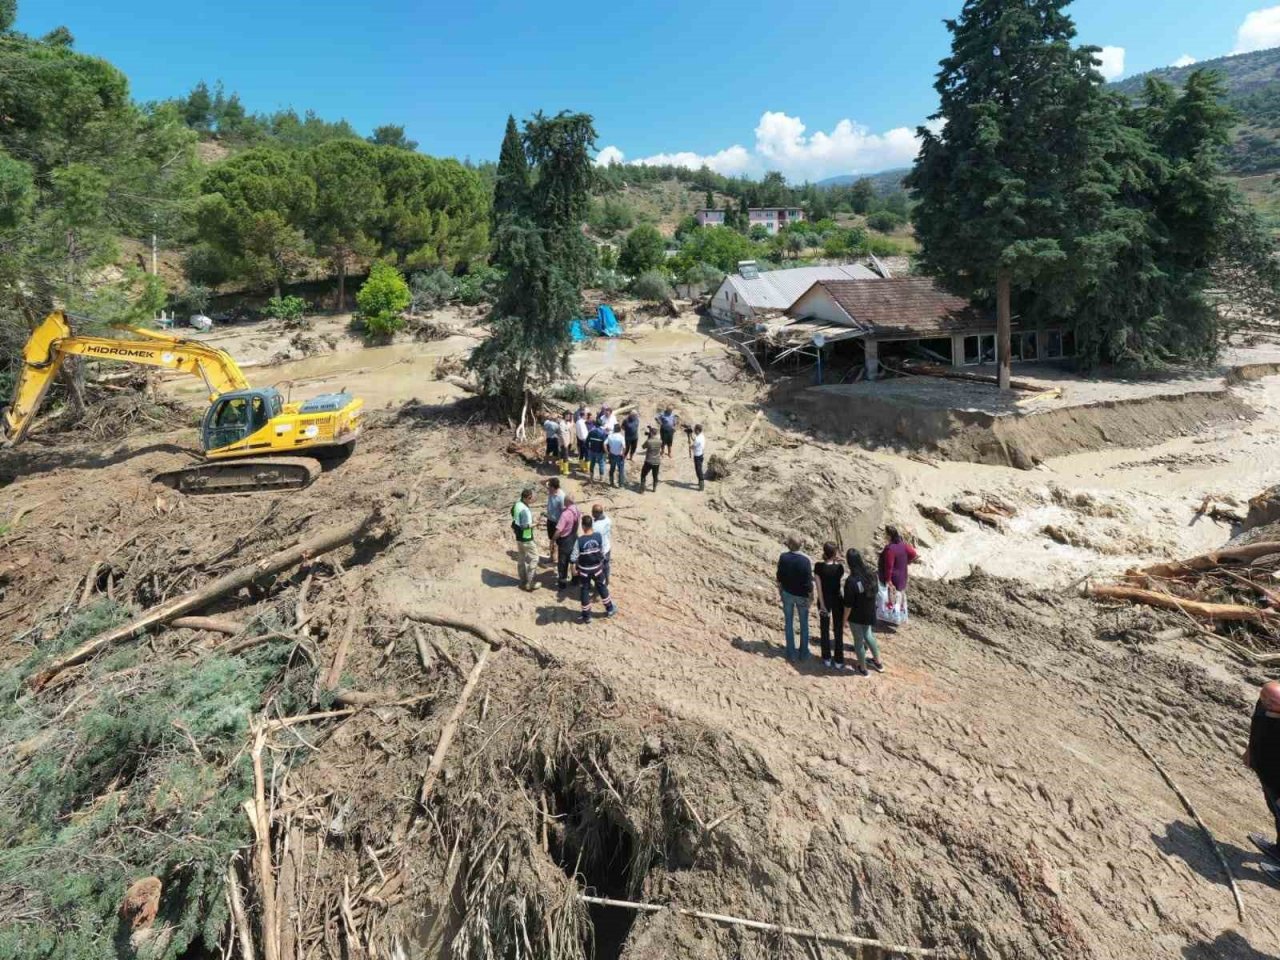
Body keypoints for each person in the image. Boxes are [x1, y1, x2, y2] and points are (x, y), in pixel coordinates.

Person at [1246, 680, 1280, 869]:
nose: (1266, 703)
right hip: (1270, 775)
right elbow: (1256, 727)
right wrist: (1249, 751)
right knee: (1276, 813)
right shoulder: (1262, 704)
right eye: (1264, 697)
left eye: (1272, 702)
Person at [843, 549, 882, 675]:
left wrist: (844, 620)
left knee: (858, 641)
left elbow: (848, 605)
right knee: (869, 635)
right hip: (869, 611)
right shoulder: (871, 573)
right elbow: (876, 591)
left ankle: (863, 668)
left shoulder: (851, 581)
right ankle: (878, 662)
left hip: (856, 616)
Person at [571, 514, 616, 623]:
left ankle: (586, 616)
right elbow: (602, 550)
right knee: (602, 587)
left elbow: (574, 556)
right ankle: (610, 608)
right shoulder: (598, 536)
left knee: (585, 590)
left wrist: (572, 569)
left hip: (584, 571)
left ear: (583, 526)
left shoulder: (580, 541)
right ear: (592, 525)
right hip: (597, 569)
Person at [776, 535, 813, 662]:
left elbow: (779, 577)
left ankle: (791, 652)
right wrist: (811, 597)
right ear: (800, 545)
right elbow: (809, 582)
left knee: (789, 623)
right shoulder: (806, 560)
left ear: (789, 545)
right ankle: (804, 652)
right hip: (802, 596)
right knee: (804, 624)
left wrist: (780, 590)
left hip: (787, 594)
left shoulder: (783, 557)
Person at [813, 542, 845, 669]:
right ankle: (838, 660)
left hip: (824, 600)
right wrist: (839, 561)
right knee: (838, 630)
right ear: (835, 553)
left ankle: (826, 658)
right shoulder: (839, 568)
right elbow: (839, 574)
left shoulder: (818, 567)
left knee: (824, 630)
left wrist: (822, 604)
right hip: (837, 600)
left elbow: (818, 587)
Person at [878, 525, 919, 610]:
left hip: (893, 577)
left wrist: (888, 580)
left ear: (889, 536)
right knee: (901, 593)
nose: (884, 536)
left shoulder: (890, 549)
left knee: (891, 596)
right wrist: (907, 562)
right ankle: (901, 610)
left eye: (885, 534)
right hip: (903, 574)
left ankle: (891, 613)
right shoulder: (903, 545)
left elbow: (889, 566)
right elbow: (914, 554)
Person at [510, 487, 537, 591]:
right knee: (534, 558)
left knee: (521, 558)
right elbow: (524, 526)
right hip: (526, 537)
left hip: (518, 537)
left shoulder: (517, 504)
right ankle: (531, 582)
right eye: (532, 498)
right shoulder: (524, 510)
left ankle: (523, 581)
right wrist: (535, 524)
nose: (533, 500)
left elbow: (512, 512)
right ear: (527, 498)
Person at [554, 494, 582, 589]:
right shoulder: (577, 510)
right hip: (574, 537)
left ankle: (562, 583)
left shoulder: (565, 514)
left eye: (564, 501)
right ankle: (575, 580)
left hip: (565, 540)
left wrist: (553, 539)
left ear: (567, 502)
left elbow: (559, 530)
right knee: (574, 559)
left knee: (563, 562)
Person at [545, 478, 566, 565]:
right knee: (551, 540)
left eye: (549, 486)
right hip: (550, 520)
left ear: (553, 487)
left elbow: (564, 512)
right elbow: (542, 482)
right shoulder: (551, 491)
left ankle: (555, 560)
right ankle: (552, 557)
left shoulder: (561, 497)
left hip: (557, 522)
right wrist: (549, 479)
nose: (548, 488)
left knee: (556, 542)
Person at [591, 503, 613, 582]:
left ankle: (600, 584)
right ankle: (607, 580)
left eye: (593, 512)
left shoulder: (595, 526)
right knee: (606, 566)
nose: (592, 513)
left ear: (596, 513)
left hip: (600, 550)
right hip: (607, 547)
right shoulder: (608, 520)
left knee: (598, 569)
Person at [639, 427, 663, 492]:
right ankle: (654, 487)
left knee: (643, 474)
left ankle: (642, 488)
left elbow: (643, 446)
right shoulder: (660, 441)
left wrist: (648, 438)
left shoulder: (649, 441)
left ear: (651, 433)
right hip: (657, 461)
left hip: (649, 460)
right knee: (655, 475)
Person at [691, 424, 707, 491]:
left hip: (697, 456)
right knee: (700, 469)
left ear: (697, 430)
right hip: (701, 454)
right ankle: (700, 483)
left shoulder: (697, 439)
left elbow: (693, 446)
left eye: (695, 429)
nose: (694, 430)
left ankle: (701, 486)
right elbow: (695, 440)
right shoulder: (701, 436)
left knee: (698, 471)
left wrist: (690, 446)